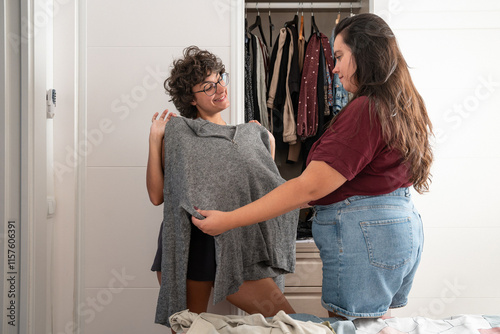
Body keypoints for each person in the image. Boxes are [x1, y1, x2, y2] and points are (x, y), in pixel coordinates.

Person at [192, 13, 433, 320]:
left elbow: (308, 187)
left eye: (341, 56)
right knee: (373, 323)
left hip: (367, 234)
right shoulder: (401, 104)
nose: (334, 68)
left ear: (364, 54)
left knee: (349, 325)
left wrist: (229, 220)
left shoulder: (365, 109)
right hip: (400, 226)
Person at [146, 46, 297, 329]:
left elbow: (267, 192)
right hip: (192, 243)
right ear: (191, 98)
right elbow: (157, 196)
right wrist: (155, 142)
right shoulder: (179, 134)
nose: (220, 88)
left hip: (239, 244)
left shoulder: (251, 134)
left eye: (220, 79)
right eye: (208, 86)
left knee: (285, 321)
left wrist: (268, 147)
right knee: (190, 328)